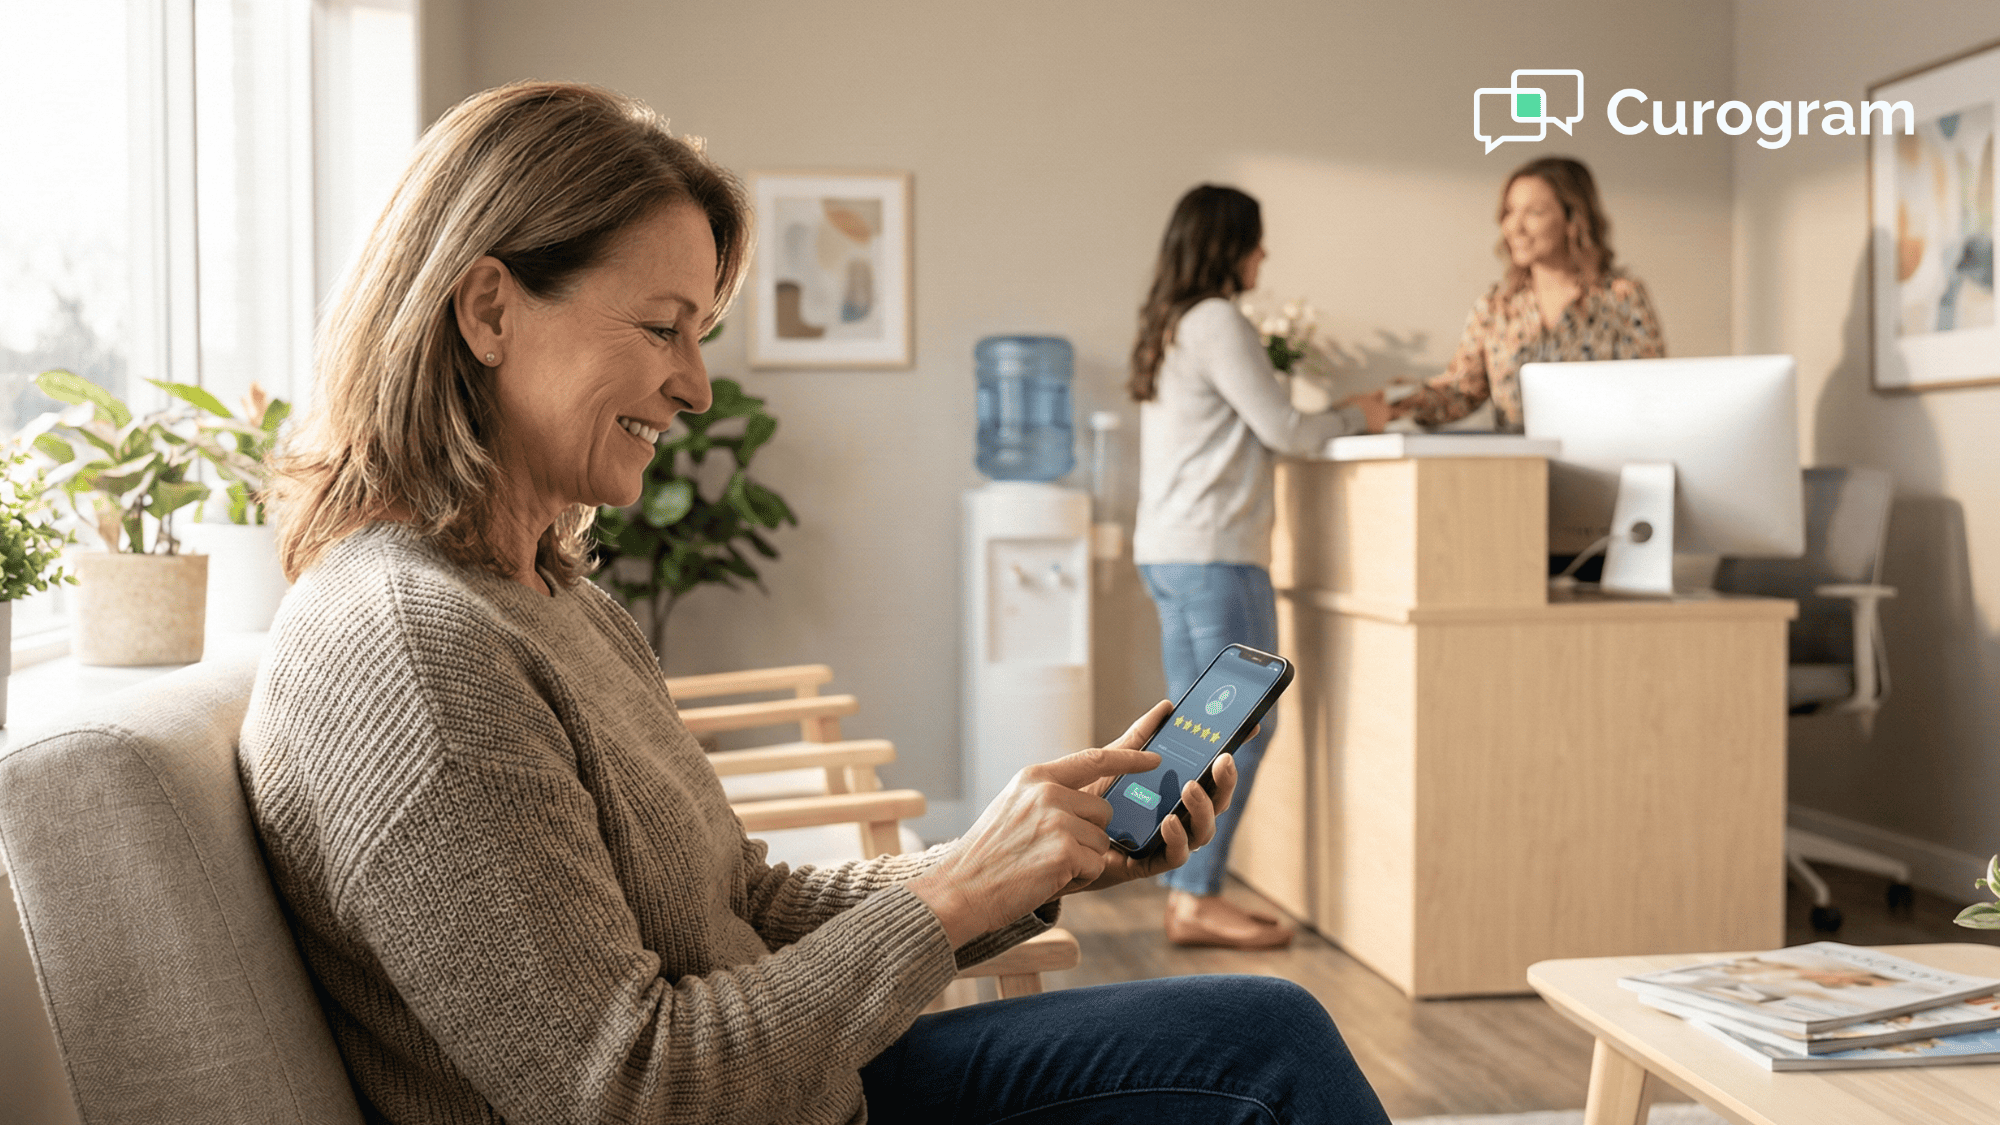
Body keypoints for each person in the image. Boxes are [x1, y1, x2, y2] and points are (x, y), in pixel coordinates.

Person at [241, 83, 1389, 1125]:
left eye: (699, 335)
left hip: (794, 1089)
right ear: (489, 310)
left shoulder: (548, 596)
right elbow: (628, 1086)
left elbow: (744, 900)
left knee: (1259, 1029)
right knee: (1264, 1057)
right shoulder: (413, 651)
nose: (693, 385)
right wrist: (950, 894)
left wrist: (1024, 866)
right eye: (662, 328)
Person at [1128, 185, 1381, 951]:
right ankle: (1193, 895)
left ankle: (1178, 886)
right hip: (1214, 555)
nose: (1264, 255)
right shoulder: (1215, 321)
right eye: (1258, 241)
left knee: (1195, 729)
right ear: (1230, 243)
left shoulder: (1173, 325)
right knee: (1235, 724)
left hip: (1171, 549)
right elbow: (1287, 428)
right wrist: (1360, 415)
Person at [1348, 155, 1666, 434]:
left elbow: (1653, 394)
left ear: (1573, 219)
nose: (1514, 226)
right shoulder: (1495, 309)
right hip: (1517, 477)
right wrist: (1394, 403)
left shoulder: (1621, 298)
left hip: (1606, 471)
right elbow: (1461, 392)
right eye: (1509, 212)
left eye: (1534, 213)